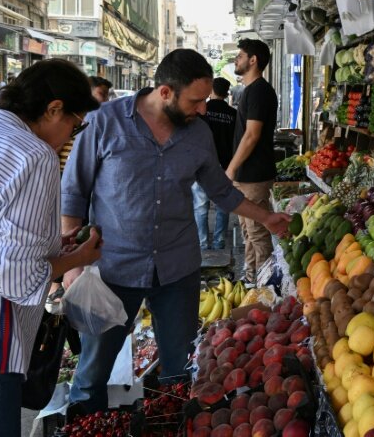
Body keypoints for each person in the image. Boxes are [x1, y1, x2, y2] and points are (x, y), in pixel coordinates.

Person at [60, 48, 290, 412]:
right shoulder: (105, 122)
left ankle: (166, 424)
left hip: (177, 272)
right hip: (112, 271)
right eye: (196, 101)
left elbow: (221, 191)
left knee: (178, 374)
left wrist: (266, 218)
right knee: (91, 376)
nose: (203, 109)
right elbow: (73, 191)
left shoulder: (198, 134)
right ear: (165, 92)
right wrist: (72, 264)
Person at [0, 59, 102, 435]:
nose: (72, 136)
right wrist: (77, 258)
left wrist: (51, 245)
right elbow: (13, 277)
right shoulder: (33, 155)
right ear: (53, 109)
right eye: (75, 124)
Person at [225, 39, 278, 284]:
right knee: (248, 233)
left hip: (254, 176)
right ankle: (251, 280)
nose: (236, 59)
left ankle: (266, 287)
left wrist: (232, 168)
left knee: (257, 234)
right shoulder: (250, 90)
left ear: (253, 60)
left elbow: (252, 135)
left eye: (240, 55)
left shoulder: (259, 91)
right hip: (245, 176)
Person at [192, 77, 237, 249]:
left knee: (200, 207)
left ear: (211, 91)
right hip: (225, 167)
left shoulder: (202, 111)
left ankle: (203, 244)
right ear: (226, 93)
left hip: (202, 166)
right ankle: (219, 242)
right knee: (222, 206)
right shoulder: (233, 114)